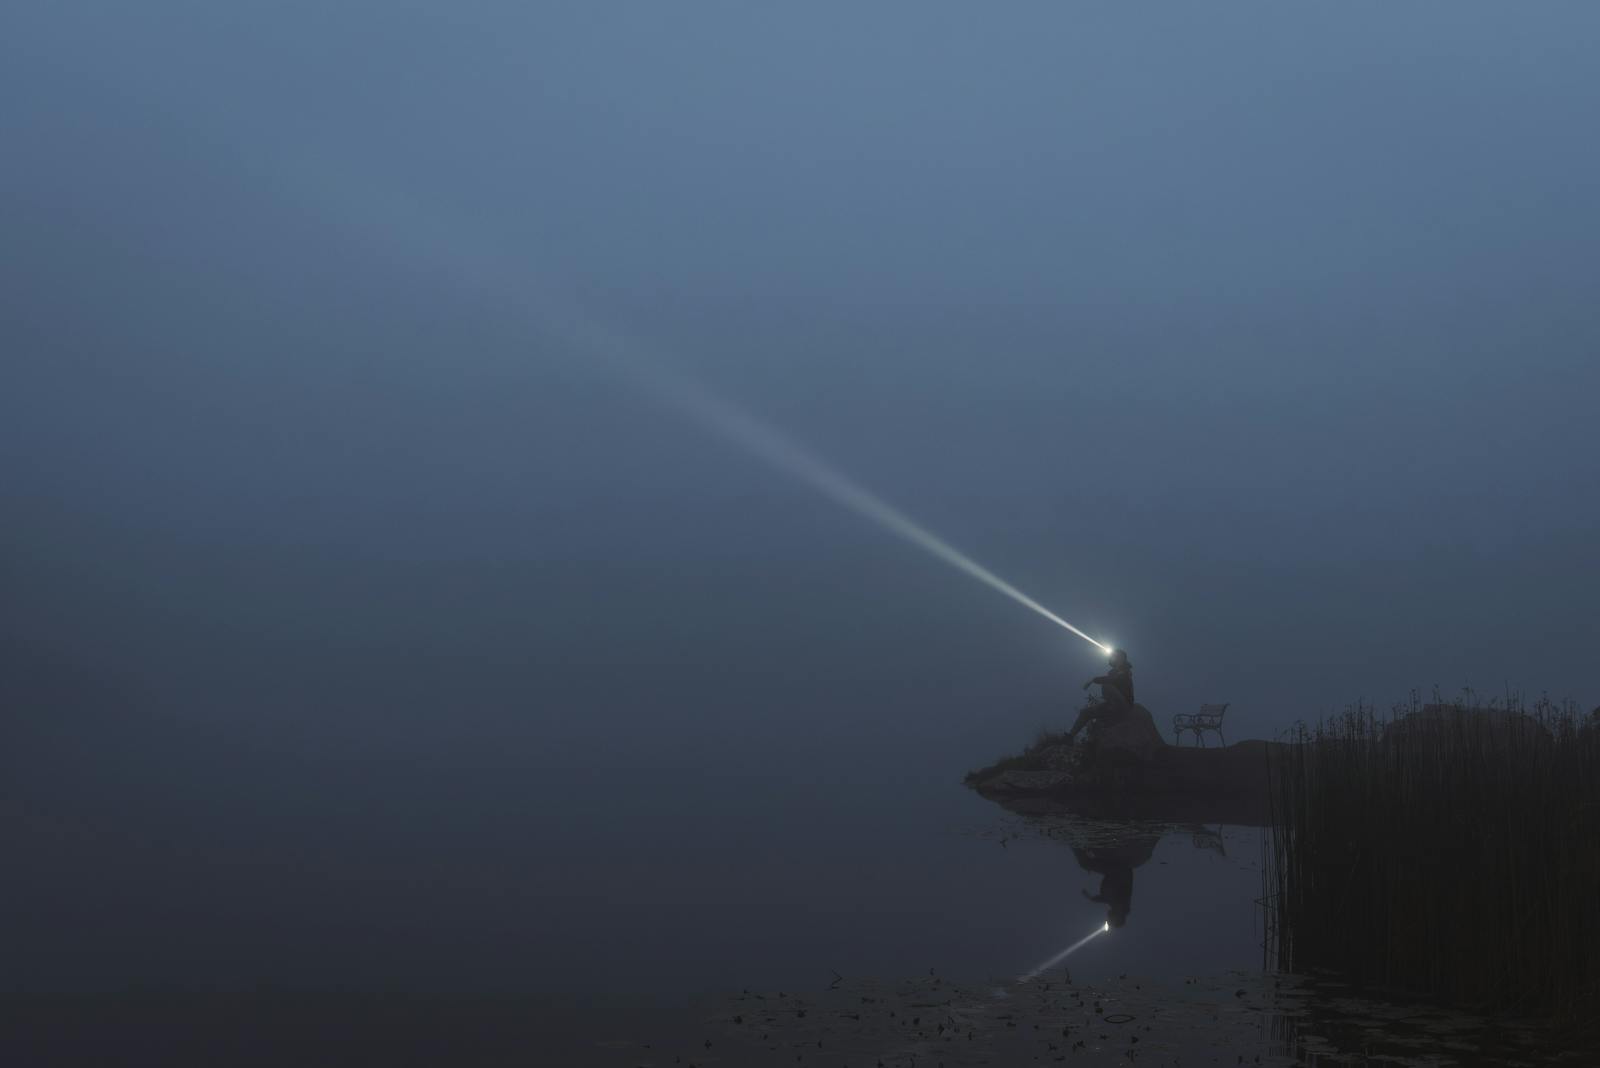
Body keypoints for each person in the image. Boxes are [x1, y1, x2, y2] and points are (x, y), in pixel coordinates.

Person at [1065, 648, 1134, 744]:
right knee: (1085, 712)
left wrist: (1094, 680)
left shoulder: (1125, 671)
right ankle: (1069, 737)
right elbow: (1111, 679)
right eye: (1114, 656)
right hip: (1111, 704)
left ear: (1123, 658)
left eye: (1117, 656)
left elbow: (1113, 680)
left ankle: (1112, 709)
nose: (1115, 658)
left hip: (1123, 705)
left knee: (1106, 684)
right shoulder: (1113, 673)